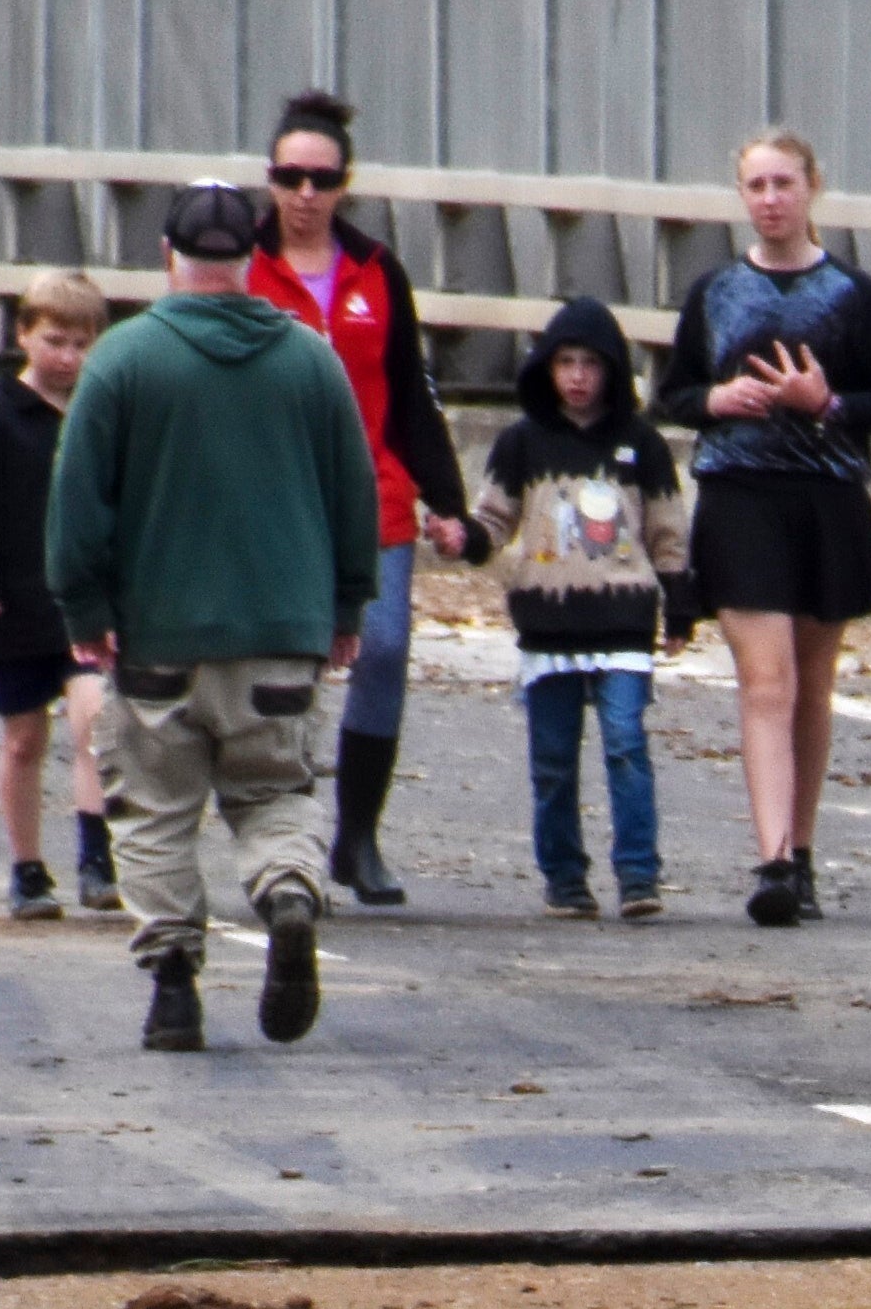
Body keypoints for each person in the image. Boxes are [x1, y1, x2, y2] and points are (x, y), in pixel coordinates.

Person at [44, 182, 382, 1058]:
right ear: (251, 260)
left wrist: (86, 607)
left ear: (169, 257)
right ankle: (289, 891)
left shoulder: (121, 361)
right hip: (281, 633)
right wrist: (346, 606)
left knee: (154, 809)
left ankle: (173, 987)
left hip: (157, 633)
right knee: (274, 790)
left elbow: (77, 501)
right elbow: (356, 492)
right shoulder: (311, 360)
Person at [651, 129, 871, 931]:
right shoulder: (716, 292)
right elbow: (674, 392)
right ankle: (769, 858)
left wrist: (826, 404)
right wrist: (716, 401)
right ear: (742, 197)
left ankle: (800, 850)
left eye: (784, 184)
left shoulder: (851, 294)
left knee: (809, 685)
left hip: (826, 501)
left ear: (811, 189)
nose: (770, 199)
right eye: (757, 185)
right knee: (765, 682)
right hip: (739, 495)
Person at [247, 89, 481, 912]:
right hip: (271, 498)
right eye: (290, 177)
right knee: (289, 668)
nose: (305, 194)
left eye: (322, 178)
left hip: (372, 492)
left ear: (346, 183)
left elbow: (414, 396)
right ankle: (286, 832)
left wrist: (449, 501)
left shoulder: (378, 273)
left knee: (380, 650)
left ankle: (359, 833)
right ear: (270, 180)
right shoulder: (240, 266)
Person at [461, 297, 683, 920]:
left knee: (625, 744)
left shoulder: (642, 445)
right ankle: (564, 875)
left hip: (625, 623)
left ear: (612, 370)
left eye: (591, 363)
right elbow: (494, 519)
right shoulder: (521, 443)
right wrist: (464, 539)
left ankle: (639, 874)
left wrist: (682, 609)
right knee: (554, 759)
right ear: (547, 369)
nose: (578, 377)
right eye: (566, 363)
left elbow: (667, 533)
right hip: (549, 626)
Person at [0, 270, 112, 920]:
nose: (67, 357)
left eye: (81, 343)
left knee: (93, 718)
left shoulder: (101, 415)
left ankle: (96, 856)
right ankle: (28, 868)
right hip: (11, 603)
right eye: (54, 340)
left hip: (85, 604)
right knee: (24, 740)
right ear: (25, 335)